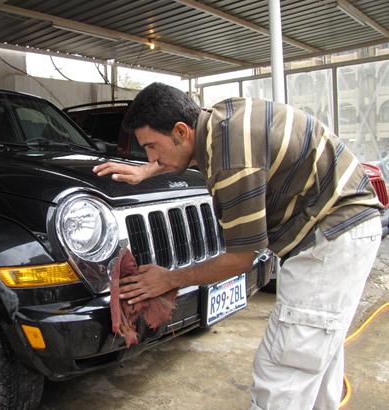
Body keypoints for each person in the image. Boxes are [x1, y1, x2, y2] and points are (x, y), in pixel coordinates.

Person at [92, 82, 383, 410]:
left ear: (181, 131)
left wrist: (168, 279)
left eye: (151, 146)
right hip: (342, 226)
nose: (150, 156)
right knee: (316, 361)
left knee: (284, 370)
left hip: (332, 238)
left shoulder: (231, 159)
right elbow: (193, 150)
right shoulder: (220, 121)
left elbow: (240, 260)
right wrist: (150, 169)